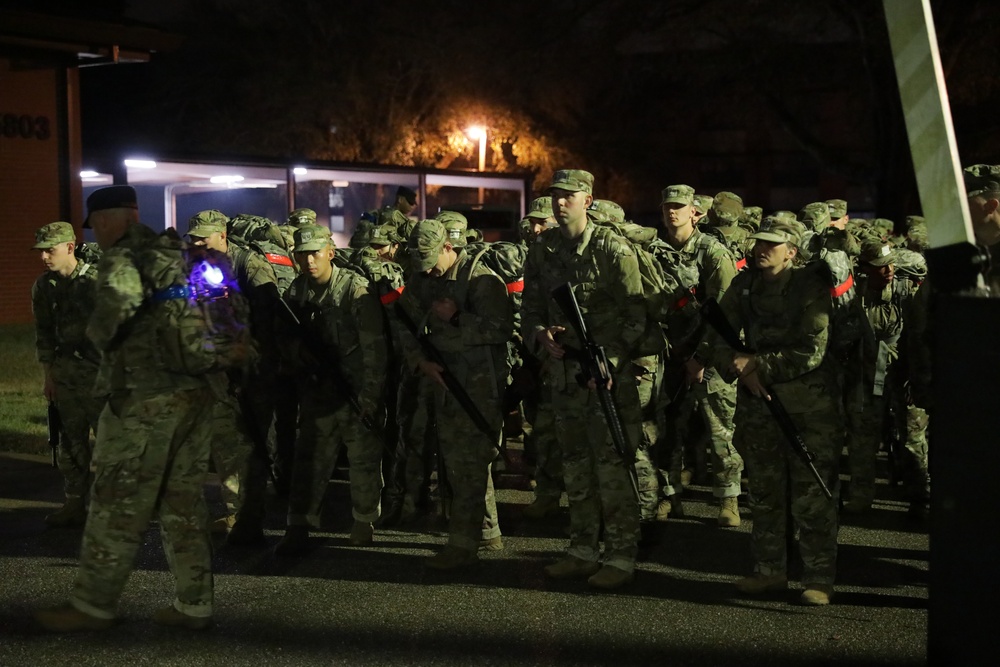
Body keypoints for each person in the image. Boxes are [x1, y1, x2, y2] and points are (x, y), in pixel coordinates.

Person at [35, 185, 216, 631]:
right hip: (198, 393)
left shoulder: (122, 257)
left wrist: (97, 340)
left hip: (146, 397)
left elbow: (113, 313)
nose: (95, 232)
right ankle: (194, 605)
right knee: (183, 503)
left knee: (114, 501)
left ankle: (91, 607)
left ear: (109, 219)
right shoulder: (176, 250)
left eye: (95, 223)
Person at [700, 214, 843, 606]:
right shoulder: (745, 285)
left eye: (771, 245)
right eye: (758, 242)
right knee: (765, 491)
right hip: (758, 405)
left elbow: (812, 349)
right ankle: (769, 571)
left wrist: (758, 365)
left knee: (812, 493)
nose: (760, 249)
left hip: (807, 407)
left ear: (791, 253)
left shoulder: (809, 286)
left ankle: (818, 577)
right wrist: (737, 367)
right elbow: (716, 334)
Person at [521, 169, 645, 590]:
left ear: (588, 200)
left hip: (607, 374)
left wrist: (609, 360)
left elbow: (636, 315)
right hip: (564, 373)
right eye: (556, 195)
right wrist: (540, 334)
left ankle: (621, 555)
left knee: (612, 467)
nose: (560, 203)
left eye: (569, 196)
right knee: (574, 464)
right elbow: (532, 305)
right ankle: (581, 549)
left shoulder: (613, 248)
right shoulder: (543, 247)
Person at [394, 218, 513, 568]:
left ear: (449, 247)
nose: (427, 271)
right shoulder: (422, 279)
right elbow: (405, 325)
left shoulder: (481, 278)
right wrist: (420, 362)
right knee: (460, 462)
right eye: (421, 264)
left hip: (479, 386)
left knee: (471, 464)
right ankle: (489, 532)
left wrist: (459, 317)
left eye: (432, 262)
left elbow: (503, 328)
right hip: (444, 382)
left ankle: (462, 546)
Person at [274, 224, 388, 556]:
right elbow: (284, 340)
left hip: (354, 389)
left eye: (315, 252)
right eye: (302, 254)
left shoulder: (355, 291)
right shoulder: (296, 291)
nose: (309, 260)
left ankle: (364, 520)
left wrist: (369, 398)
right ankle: (299, 523)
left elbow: (374, 350)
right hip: (318, 390)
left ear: (330, 253)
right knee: (309, 458)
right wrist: (300, 357)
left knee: (363, 459)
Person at [651, 184, 744, 527]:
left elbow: (726, 312)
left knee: (719, 429)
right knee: (667, 427)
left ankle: (728, 498)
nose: (671, 212)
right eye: (666, 206)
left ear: (695, 212)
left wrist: (701, 358)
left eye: (679, 206)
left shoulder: (713, 252)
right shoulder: (654, 251)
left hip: (711, 353)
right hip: (669, 353)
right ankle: (668, 495)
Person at [186, 209, 280, 545]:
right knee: (225, 441)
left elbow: (269, 320)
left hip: (252, 371)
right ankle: (234, 511)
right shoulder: (196, 268)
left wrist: (252, 360)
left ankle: (255, 508)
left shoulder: (249, 265)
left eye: (204, 237)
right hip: (217, 372)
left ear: (223, 234)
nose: (198, 243)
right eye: (194, 238)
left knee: (254, 441)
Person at [30, 221, 103, 527]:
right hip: (67, 376)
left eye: (50, 250)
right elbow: (44, 334)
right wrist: (49, 376)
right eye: (41, 251)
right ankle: (75, 502)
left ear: (70, 247)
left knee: (112, 445)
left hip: (100, 377)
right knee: (71, 441)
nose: (44, 257)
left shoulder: (97, 281)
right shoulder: (44, 287)